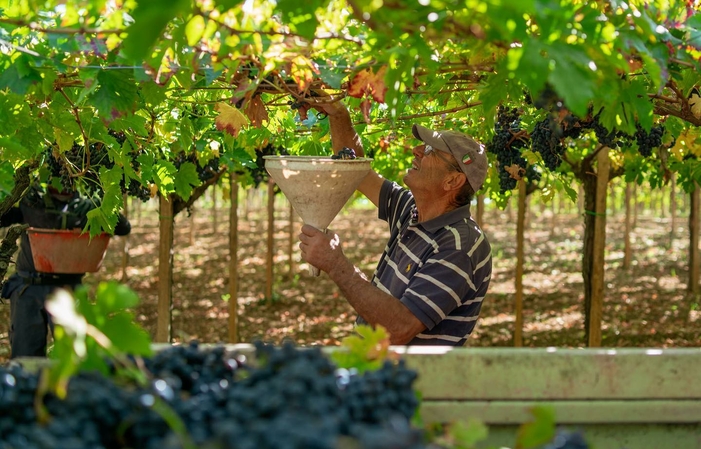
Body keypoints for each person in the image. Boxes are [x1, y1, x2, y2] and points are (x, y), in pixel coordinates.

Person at [298, 98, 492, 346]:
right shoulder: (410, 209)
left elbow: (399, 329)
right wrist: (337, 114)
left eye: (430, 151)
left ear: (452, 182)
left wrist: (335, 263)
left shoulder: (460, 246)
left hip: (411, 381)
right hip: (378, 372)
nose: (417, 151)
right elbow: (358, 170)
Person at [0, 184, 131, 358]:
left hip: (68, 290)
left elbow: (123, 227)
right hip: (28, 288)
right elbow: (4, 216)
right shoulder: (33, 203)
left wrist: (101, 205)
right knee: (26, 356)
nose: (64, 184)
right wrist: (15, 193)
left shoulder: (85, 208)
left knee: (73, 355)